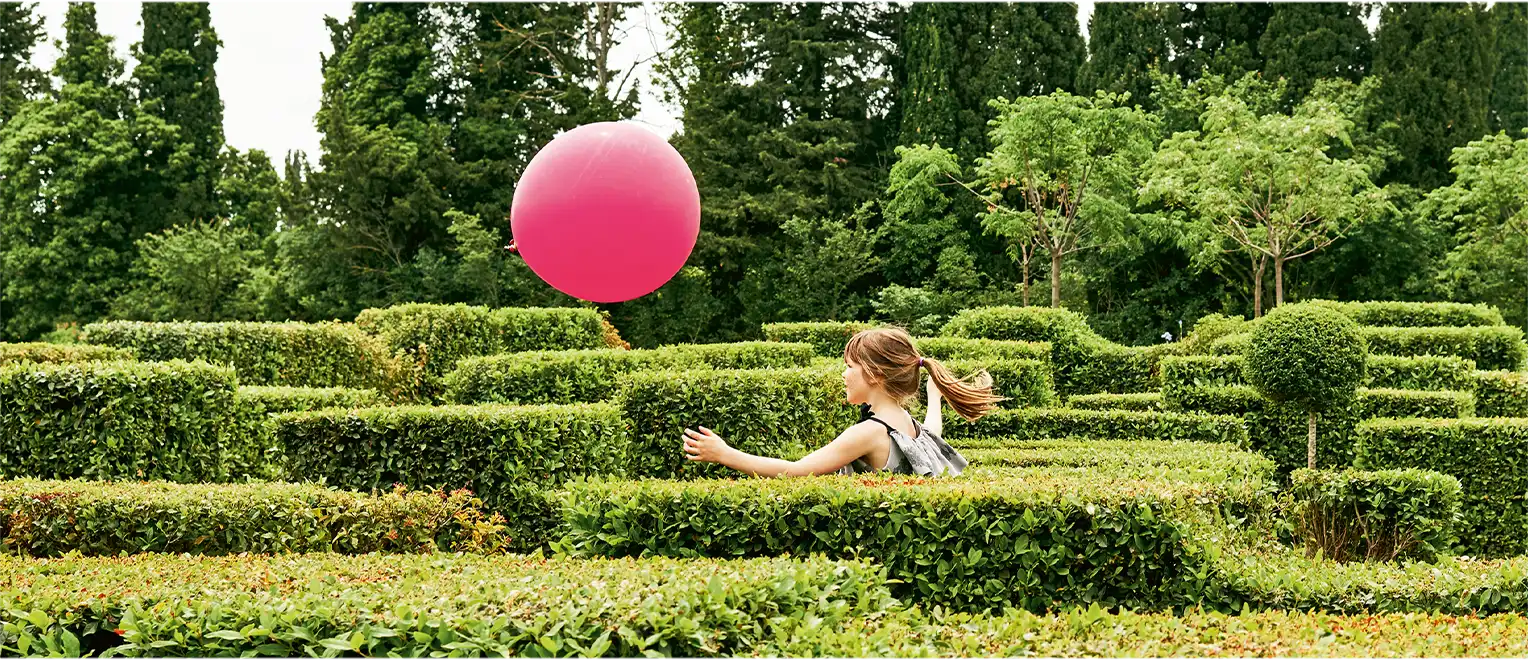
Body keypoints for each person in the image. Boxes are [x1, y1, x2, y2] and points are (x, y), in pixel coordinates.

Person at [681, 327, 1004, 477]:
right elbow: (933, 435)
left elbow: (796, 471)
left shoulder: (870, 432)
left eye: (850, 367)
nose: (844, 374)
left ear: (875, 375)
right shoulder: (904, 422)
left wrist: (725, 454)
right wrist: (935, 399)